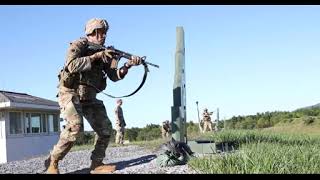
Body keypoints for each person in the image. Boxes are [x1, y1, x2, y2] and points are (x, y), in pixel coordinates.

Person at [44, 18, 142, 174]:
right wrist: (96, 56)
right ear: (92, 32)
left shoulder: (106, 53)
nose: (102, 36)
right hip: (71, 92)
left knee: (105, 129)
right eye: (99, 33)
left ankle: (96, 164)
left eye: (104, 33)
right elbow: (72, 65)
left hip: (89, 95)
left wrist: (128, 65)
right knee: (75, 127)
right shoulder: (79, 45)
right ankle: (53, 163)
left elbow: (114, 76)